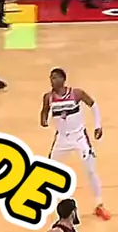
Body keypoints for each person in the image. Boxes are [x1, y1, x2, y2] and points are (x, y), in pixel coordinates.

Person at [40, 67, 109, 220]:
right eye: (51, 78)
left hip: (79, 137)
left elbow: (93, 105)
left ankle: (99, 204)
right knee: (49, 169)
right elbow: (44, 110)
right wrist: (43, 119)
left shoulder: (76, 93)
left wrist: (98, 125)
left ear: (63, 79)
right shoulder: (48, 97)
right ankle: (57, 205)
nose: (52, 80)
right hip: (62, 138)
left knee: (90, 171)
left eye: (55, 77)